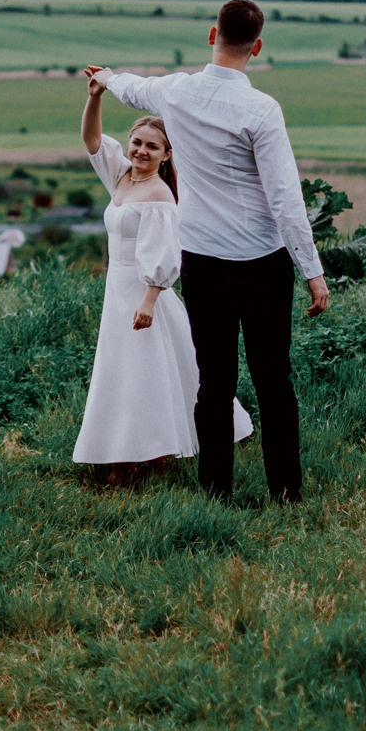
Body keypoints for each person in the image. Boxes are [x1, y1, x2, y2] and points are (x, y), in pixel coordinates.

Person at [85, 0, 328, 503]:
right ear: (256, 47)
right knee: (273, 380)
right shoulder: (262, 110)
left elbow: (133, 87)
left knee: (213, 382)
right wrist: (312, 270)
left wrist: (106, 76)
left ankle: (216, 493)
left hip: (203, 262)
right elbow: (285, 197)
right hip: (262, 261)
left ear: (211, 36)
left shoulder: (176, 92)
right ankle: (286, 491)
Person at [74, 79, 252, 480]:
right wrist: (95, 97)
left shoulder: (159, 196)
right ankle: (144, 452)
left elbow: (164, 256)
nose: (140, 150)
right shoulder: (121, 177)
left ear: (168, 155)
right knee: (130, 373)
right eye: (137, 142)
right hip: (116, 288)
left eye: (152, 146)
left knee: (141, 377)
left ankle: (134, 459)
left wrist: (149, 302)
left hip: (143, 293)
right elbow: (92, 140)